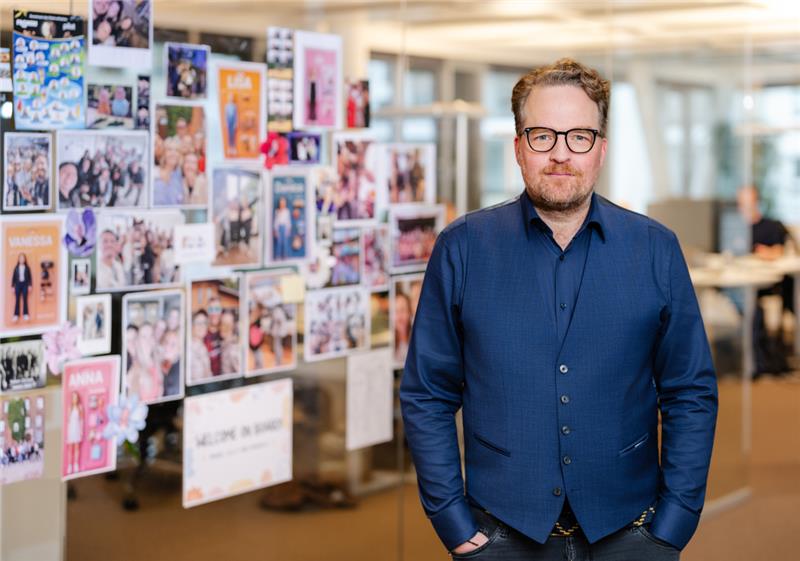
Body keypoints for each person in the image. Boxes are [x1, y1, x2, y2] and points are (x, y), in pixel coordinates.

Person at [400, 58, 718, 561]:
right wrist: (451, 520)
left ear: (602, 149)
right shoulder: (463, 248)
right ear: (519, 148)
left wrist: (675, 521)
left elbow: (690, 391)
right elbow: (427, 393)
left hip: (633, 532)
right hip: (499, 535)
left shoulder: (655, 248)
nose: (561, 154)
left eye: (580, 137)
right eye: (543, 135)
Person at [737, 185, 795, 376]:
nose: (745, 206)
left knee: (757, 312)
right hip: (742, 283)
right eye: (742, 203)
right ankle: (755, 360)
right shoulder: (737, 229)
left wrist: (766, 254)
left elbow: (784, 251)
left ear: (756, 201)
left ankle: (763, 362)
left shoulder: (771, 226)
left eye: (748, 202)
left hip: (768, 285)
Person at [11, 253, 33, 322]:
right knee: (17, 300)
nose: (22, 259)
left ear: (25, 259)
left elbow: (30, 277)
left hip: (25, 285)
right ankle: (16, 315)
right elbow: (13, 277)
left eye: (23, 258)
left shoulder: (27, 268)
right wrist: (12, 286)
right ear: (18, 259)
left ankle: (25, 314)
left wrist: (30, 285)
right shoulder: (16, 268)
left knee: (25, 299)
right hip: (17, 285)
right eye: (20, 258)